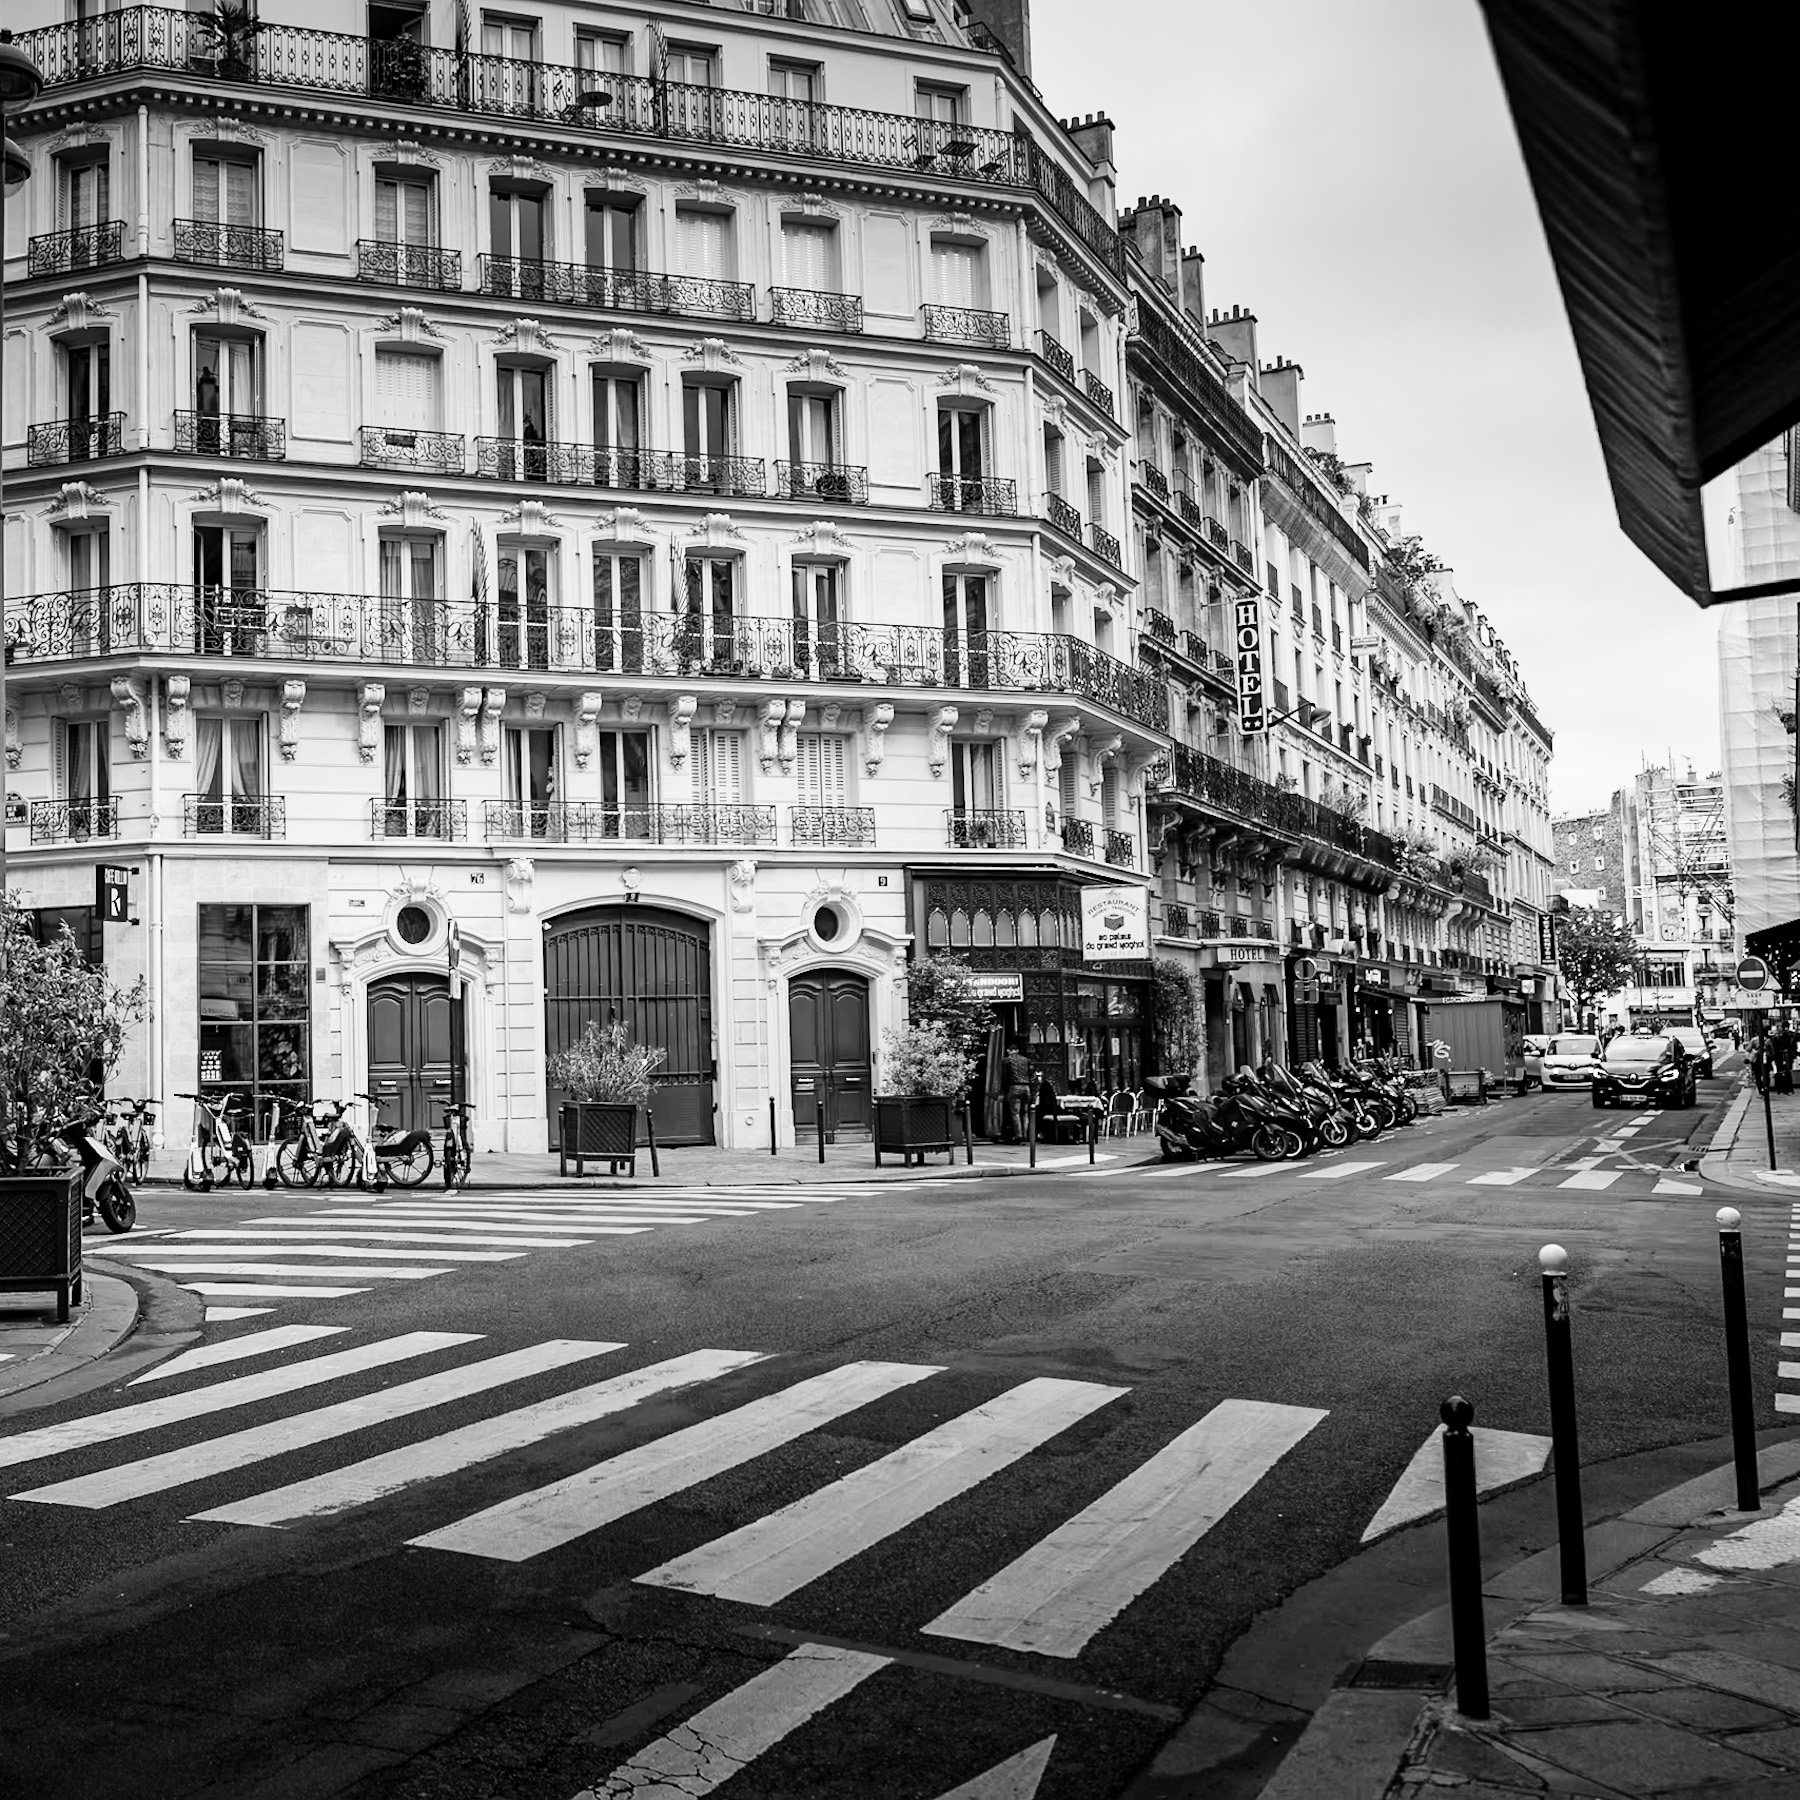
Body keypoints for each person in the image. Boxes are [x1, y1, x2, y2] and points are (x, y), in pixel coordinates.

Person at [1000, 1040, 1033, 1144]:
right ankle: (1026, 1135)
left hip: (1014, 1087)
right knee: (1025, 1113)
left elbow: (1005, 1077)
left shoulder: (1007, 1060)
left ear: (1008, 1051)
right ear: (1017, 1050)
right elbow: (1030, 1073)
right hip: (1026, 1087)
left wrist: (1003, 1090)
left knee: (1016, 1113)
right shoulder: (1026, 1060)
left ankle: (1019, 1135)